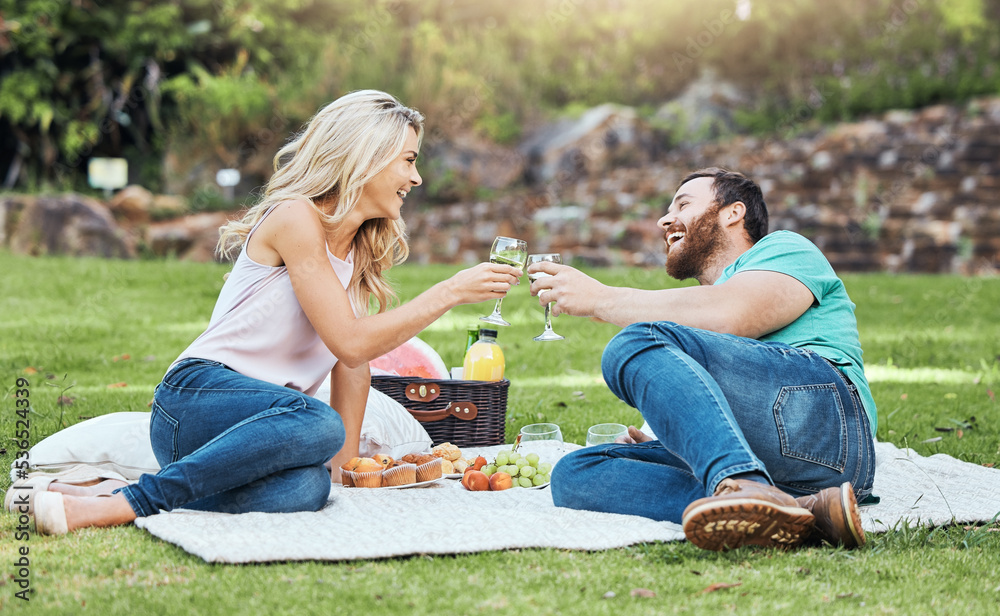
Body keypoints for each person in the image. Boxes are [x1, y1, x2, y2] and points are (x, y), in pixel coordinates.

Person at [29, 90, 522, 535]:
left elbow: (351, 363)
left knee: (307, 489)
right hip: (197, 400)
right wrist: (450, 292)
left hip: (261, 427)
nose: (416, 177)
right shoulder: (295, 217)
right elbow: (350, 340)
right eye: (408, 160)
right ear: (366, 157)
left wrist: (346, 468)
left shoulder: (357, 250)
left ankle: (104, 497)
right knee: (318, 425)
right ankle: (125, 504)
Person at [530, 167, 876, 551]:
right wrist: (690, 439)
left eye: (683, 203)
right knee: (576, 474)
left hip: (829, 429)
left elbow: (733, 314)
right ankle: (794, 510)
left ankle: (748, 486)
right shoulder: (695, 316)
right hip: (782, 461)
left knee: (633, 342)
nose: (664, 218)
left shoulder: (786, 249)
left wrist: (602, 299)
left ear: (732, 212)